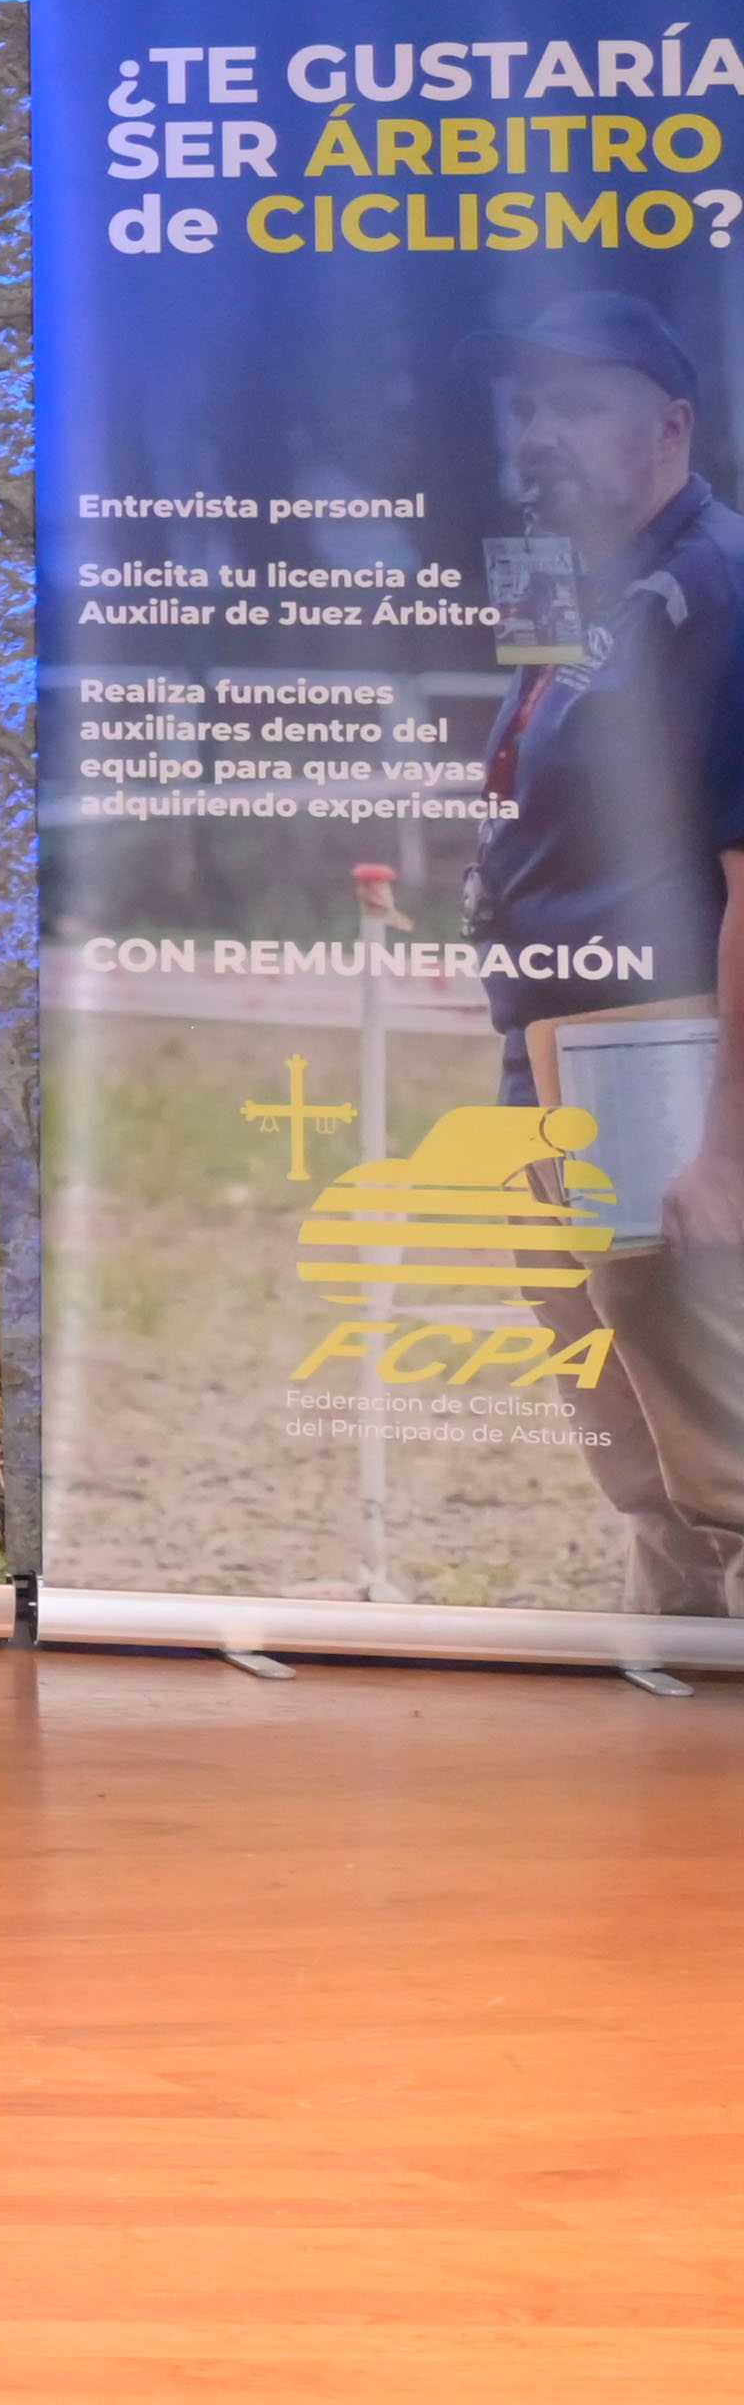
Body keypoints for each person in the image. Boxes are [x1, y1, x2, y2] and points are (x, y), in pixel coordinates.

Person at [455, 293, 744, 1614]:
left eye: (580, 402)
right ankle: (670, 1692)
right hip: (557, 1061)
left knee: (718, 1462)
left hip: (661, 1070)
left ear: (671, 424)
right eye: (526, 404)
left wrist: (725, 1150)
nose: (540, 432)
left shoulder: (721, 595)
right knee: (639, 1454)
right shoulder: (578, 583)